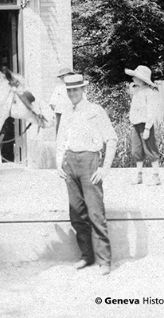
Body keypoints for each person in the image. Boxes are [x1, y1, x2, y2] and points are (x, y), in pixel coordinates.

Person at [56, 74, 117, 276]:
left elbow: (111, 138)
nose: (72, 93)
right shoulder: (66, 112)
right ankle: (86, 255)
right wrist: (58, 163)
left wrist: (104, 168)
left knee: (95, 213)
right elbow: (60, 139)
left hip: (89, 162)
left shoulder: (95, 110)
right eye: (69, 90)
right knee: (77, 213)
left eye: (75, 89)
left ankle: (104, 260)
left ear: (83, 90)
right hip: (70, 163)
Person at [125, 65, 162, 186]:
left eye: (135, 77)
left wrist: (147, 128)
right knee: (136, 150)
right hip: (136, 124)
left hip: (145, 125)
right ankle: (139, 175)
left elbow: (151, 111)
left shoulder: (149, 93)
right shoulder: (137, 91)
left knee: (150, 148)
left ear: (142, 79)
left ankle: (156, 176)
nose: (133, 78)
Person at [48, 66, 75, 133]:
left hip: (73, 114)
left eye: (64, 76)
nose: (62, 78)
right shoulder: (59, 88)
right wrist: (59, 110)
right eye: (61, 77)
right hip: (61, 114)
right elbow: (52, 103)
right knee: (61, 133)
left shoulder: (76, 87)